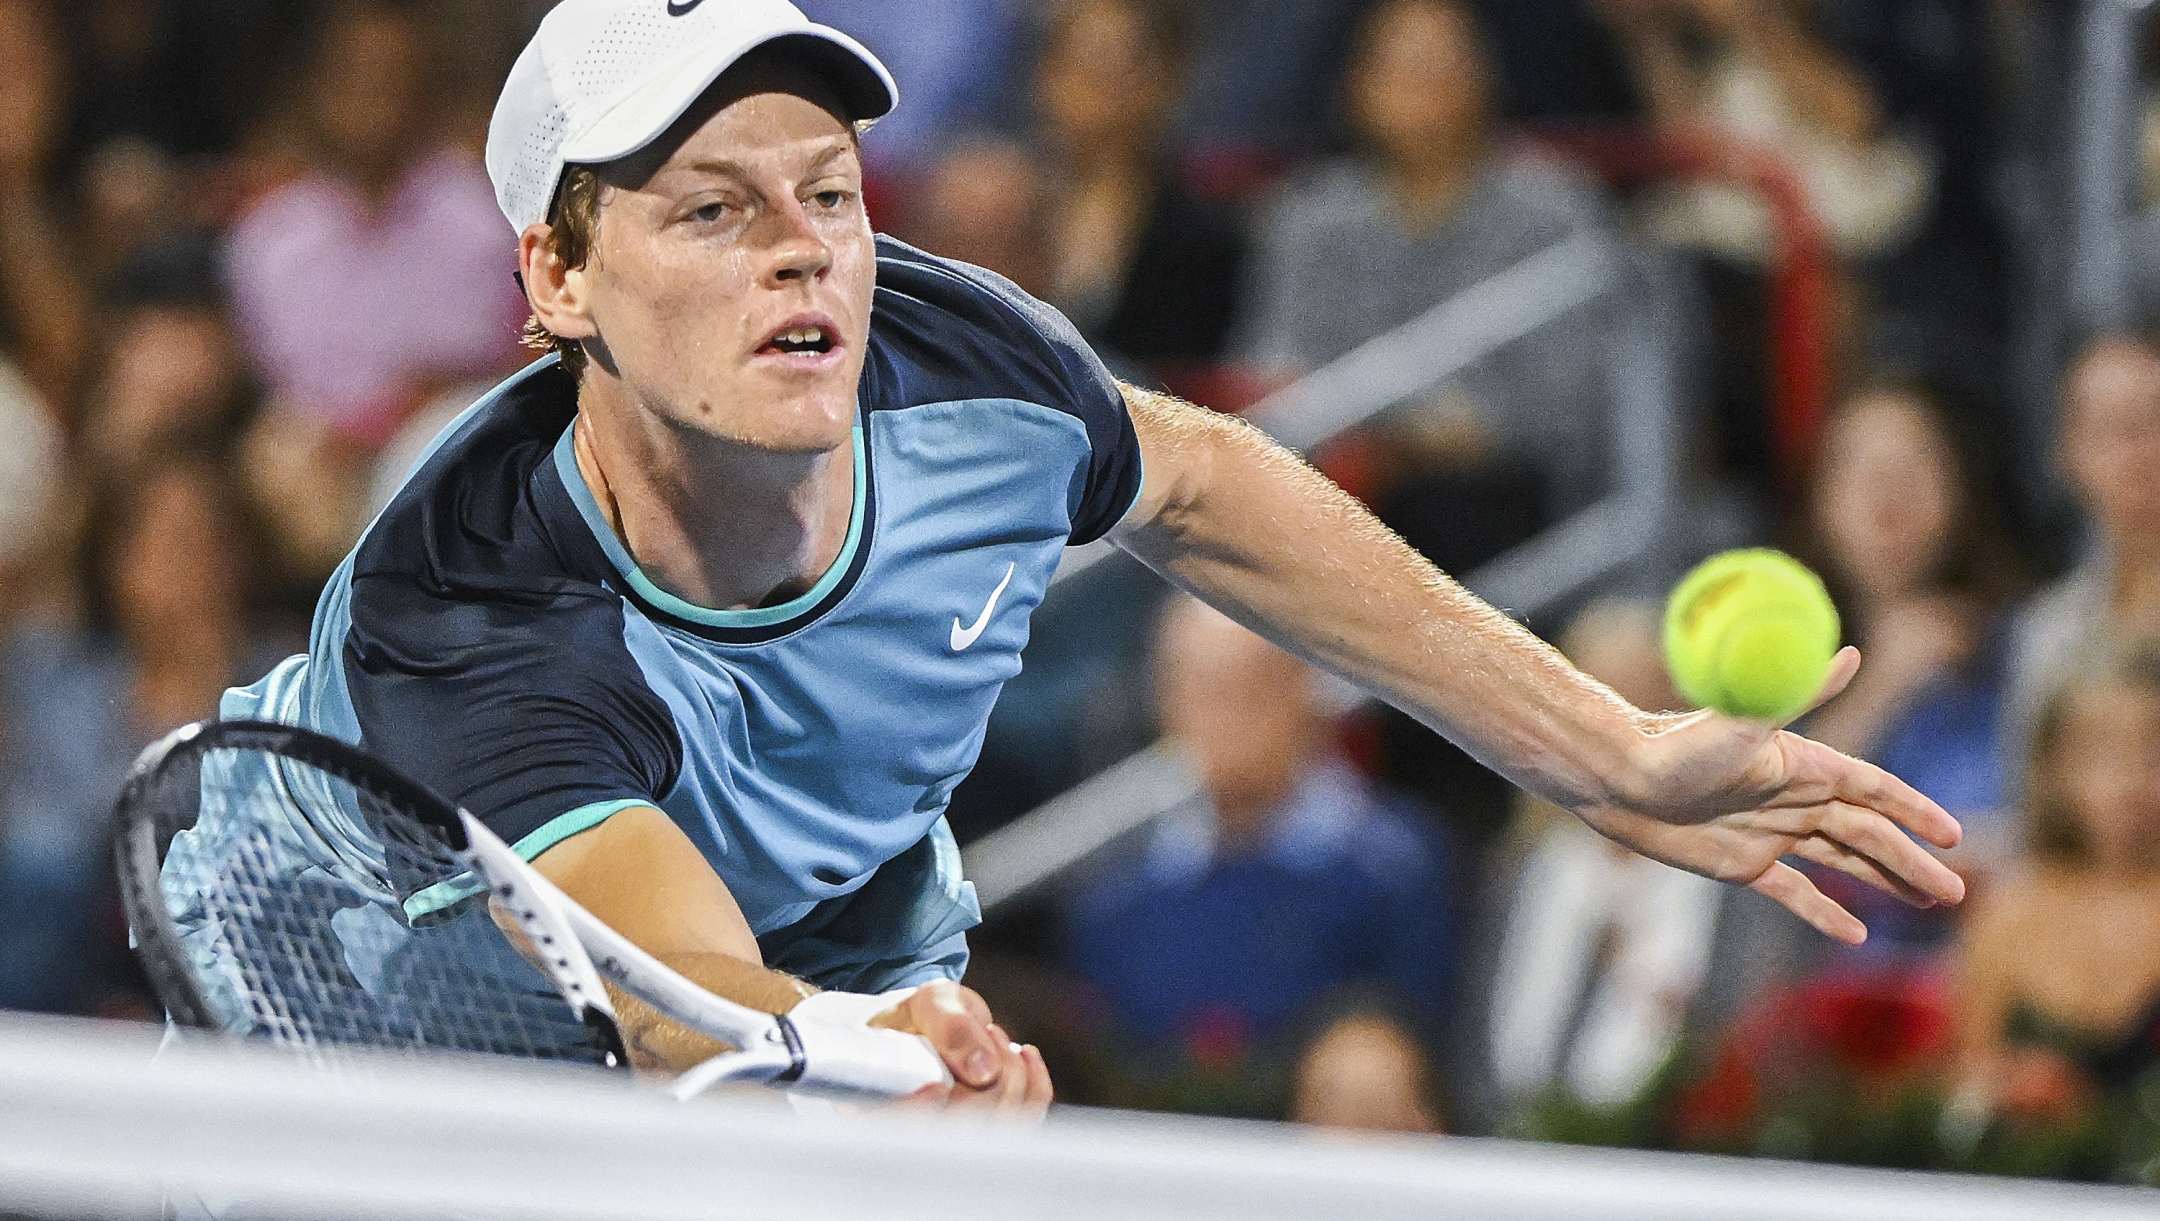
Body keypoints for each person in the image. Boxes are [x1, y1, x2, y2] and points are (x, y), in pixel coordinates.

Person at [184, 0, 1962, 1119]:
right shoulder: (475, 612)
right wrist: (876, 1040)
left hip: (777, 911)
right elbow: (677, 993)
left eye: (832, 188)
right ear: (558, 283)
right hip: (370, 961)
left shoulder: (968, 375)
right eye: (712, 208)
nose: (803, 252)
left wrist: (1611, 754)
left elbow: (1197, 479)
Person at [1057, 596, 1452, 1060]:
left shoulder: (1395, 867)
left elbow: (1422, 1046)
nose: (1222, 720)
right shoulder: (1116, 892)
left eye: (1245, 689)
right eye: (1196, 690)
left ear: (1303, 690)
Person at [1948, 649, 2160, 1161]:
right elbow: (1962, 1091)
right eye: (2103, 751)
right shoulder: (2009, 914)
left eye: (2153, 750)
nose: (2132, 778)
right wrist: (2008, 1089)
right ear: (2053, 767)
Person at [1803, 383, 2022, 870]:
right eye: (1860, 464)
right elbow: (1776, 818)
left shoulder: (2025, 643)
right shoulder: (1776, 662)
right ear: (1820, 502)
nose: (1889, 485)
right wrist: (1884, 682)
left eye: (1915, 460)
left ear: (1959, 489)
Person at [2004, 337, 2160, 799]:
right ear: (2069, 456)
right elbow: (2032, 816)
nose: (2140, 454)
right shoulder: (2046, 633)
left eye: (2154, 422)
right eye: (2113, 430)